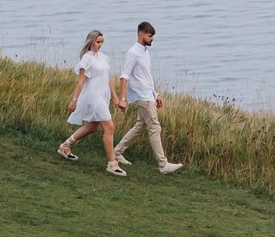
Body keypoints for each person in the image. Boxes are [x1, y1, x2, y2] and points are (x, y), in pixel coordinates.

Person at [112, 21, 183, 174]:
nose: (152, 39)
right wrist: (123, 99)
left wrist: (156, 93)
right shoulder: (133, 53)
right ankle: (163, 164)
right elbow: (124, 77)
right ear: (141, 35)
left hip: (148, 94)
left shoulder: (144, 51)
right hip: (141, 96)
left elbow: (147, 76)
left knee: (141, 126)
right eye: (150, 36)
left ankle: (117, 152)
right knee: (154, 127)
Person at [58, 30, 120, 172]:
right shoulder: (86, 59)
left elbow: (108, 78)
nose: (100, 45)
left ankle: (65, 146)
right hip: (94, 97)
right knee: (109, 127)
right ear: (91, 42)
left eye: (102, 42)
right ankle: (112, 164)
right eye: (98, 42)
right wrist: (74, 101)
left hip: (103, 97)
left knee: (93, 127)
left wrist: (116, 98)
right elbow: (80, 82)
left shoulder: (103, 57)